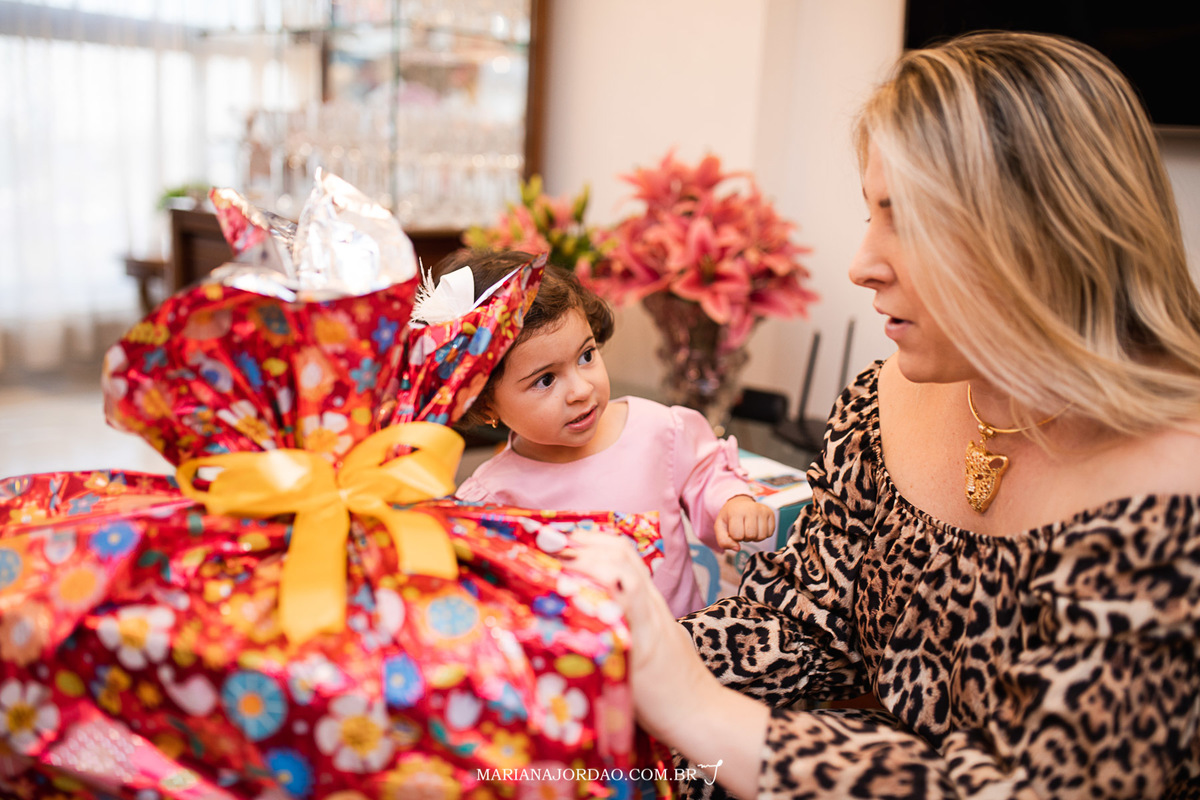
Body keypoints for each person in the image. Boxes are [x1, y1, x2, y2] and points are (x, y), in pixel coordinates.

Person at [560, 31, 1200, 799]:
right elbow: (802, 625)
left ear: (1049, 233)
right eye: (871, 213)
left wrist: (696, 709)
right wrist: (587, 660)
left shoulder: (1177, 492)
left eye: (911, 220)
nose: (862, 264)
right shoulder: (882, 398)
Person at [436, 249, 777, 617]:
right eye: (545, 380)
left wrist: (732, 503)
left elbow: (704, 473)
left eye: (586, 356)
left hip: (684, 638)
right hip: (582, 650)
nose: (582, 390)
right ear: (484, 403)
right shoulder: (492, 500)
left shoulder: (656, 429)